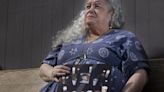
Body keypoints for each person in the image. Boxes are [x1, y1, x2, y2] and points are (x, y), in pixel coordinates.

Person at [39, 0, 150, 92]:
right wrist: (51, 72)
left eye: (97, 6)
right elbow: (44, 67)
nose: (90, 9)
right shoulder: (68, 41)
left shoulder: (124, 38)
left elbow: (140, 73)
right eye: (88, 6)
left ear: (112, 14)